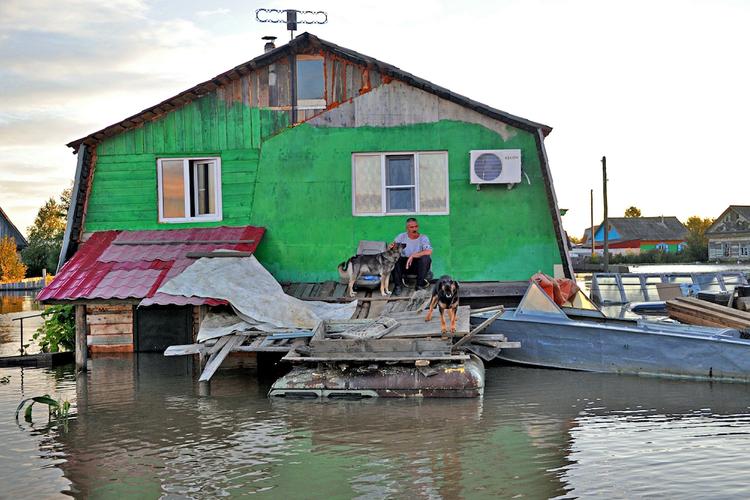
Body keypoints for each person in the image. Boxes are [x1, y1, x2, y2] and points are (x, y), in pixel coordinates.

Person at [392, 218, 432, 294]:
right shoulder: (401, 236)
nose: (414, 229)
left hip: (418, 265)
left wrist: (413, 255)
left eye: (416, 226)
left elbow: (429, 251)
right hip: (404, 265)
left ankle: (419, 285)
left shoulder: (423, 238)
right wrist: (392, 247)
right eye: (412, 227)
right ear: (407, 228)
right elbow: (394, 248)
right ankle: (398, 286)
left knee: (426, 258)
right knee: (395, 259)